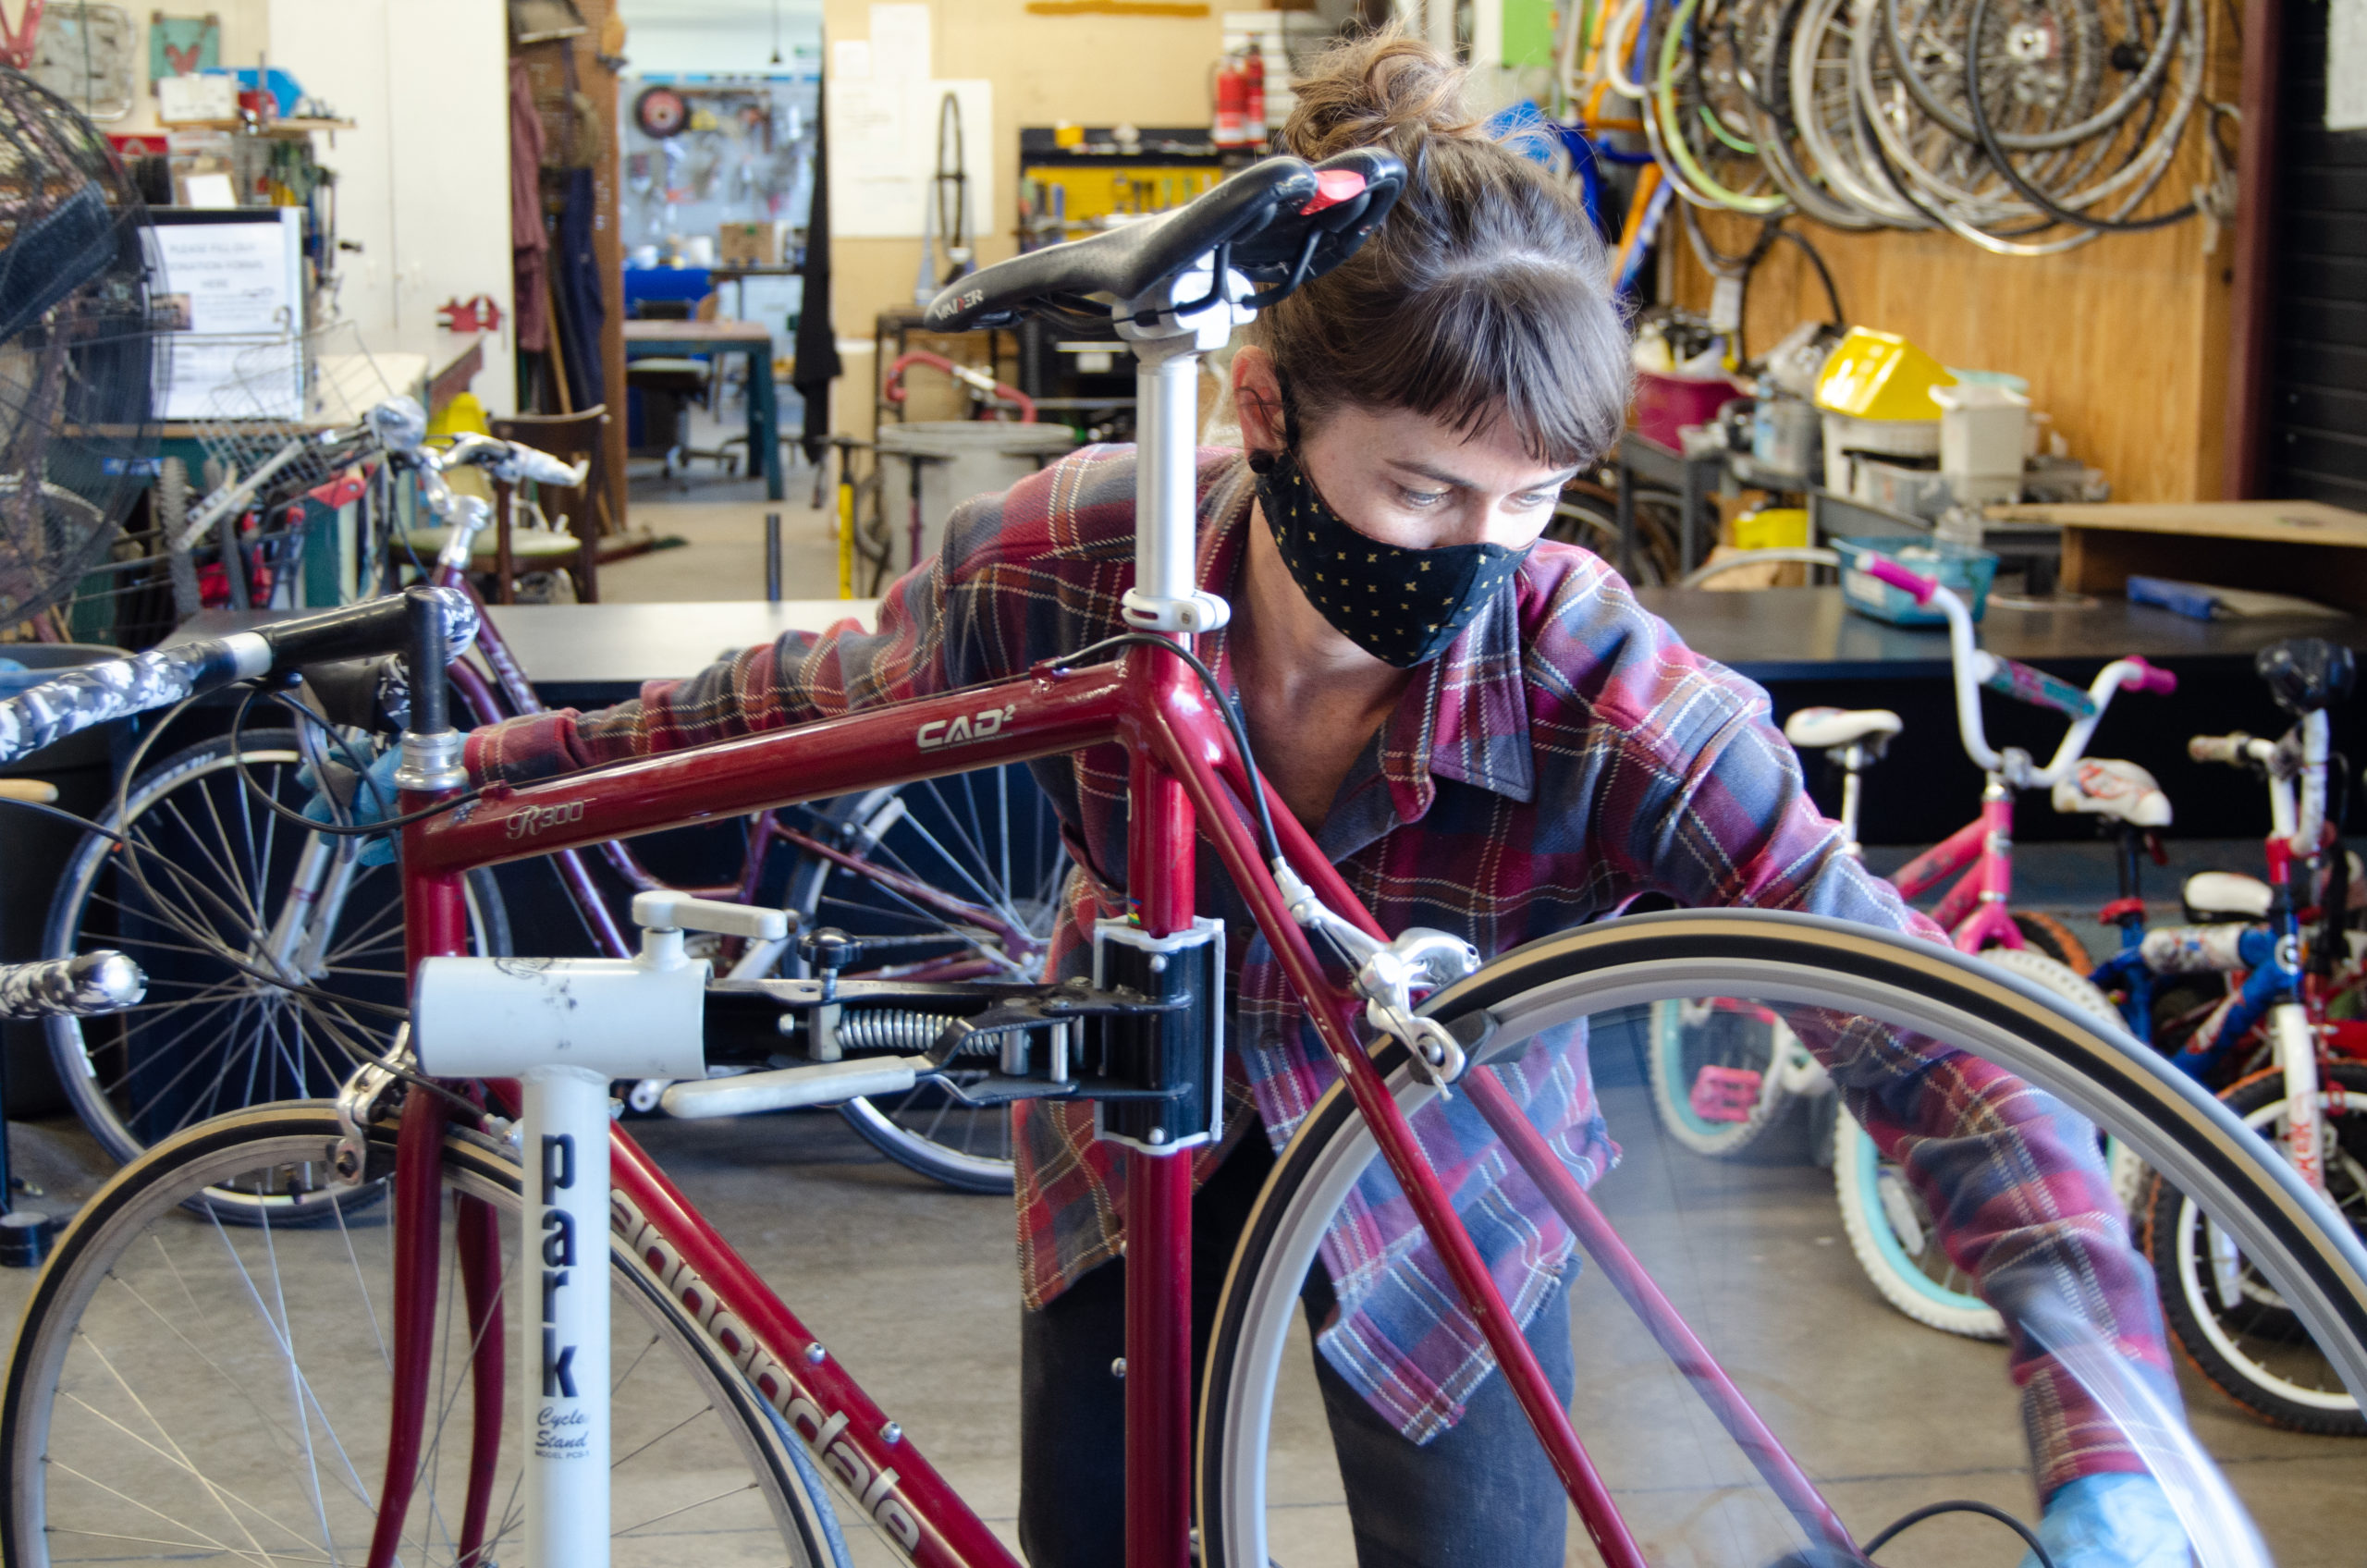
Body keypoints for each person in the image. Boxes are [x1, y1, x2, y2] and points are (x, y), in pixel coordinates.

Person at [359, 28, 2189, 1568]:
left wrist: (2105, 1415)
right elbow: (793, 697)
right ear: (1256, 409)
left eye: (1530, 499)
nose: (1479, 555)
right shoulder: (1070, 560)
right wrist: (497, 777)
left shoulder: (1608, 695)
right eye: (1417, 495)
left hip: (1444, 1176)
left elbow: (1922, 1037)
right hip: (1121, 1135)